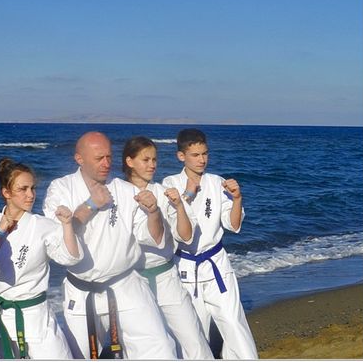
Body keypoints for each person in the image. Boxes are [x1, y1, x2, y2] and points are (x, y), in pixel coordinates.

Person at [43, 131, 177, 359]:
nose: (106, 164)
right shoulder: (61, 188)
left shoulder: (126, 190)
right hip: (82, 290)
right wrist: (90, 205)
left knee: (161, 349)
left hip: (126, 285)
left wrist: (154, 212)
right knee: (79, 356)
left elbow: (153, 238)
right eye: (99, 158)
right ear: (79, 159)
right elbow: (59, 240)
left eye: (109, 157)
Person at [0, 157, 83, 359]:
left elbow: (70, 258)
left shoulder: (43, 226)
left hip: (36, 316)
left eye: (32, 188)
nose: (31, 195)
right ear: (6, 193)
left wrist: (67, 225)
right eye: (23, 189)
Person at [162, 128, 258, 359]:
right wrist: (187, 195)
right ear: (181, 156)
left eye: (205, 153)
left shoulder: (217, 182)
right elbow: (174, 228)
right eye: (195, 155)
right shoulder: (170, 183)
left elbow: (233, 225)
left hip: (216, 263)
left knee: (233, 322)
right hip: (185, 266)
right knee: (196, 330)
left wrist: (237, 198)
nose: (202, 160)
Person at [122, 136, 214, 360]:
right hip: (132, 281)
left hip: (166, 276)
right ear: (130, 161)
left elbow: (186, 236)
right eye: (145, 160)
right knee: (145, 347)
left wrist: (180, 205)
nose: (152, 165)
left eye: (154, 159)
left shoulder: (164, 193)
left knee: (194, 339)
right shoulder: (116, 194)